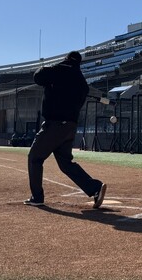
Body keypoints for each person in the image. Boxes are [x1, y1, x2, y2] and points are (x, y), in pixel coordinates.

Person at [24, 51, 107, 208]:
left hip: (54, 125)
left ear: (66, 58)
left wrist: (48, 68)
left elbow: (38, 77)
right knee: (66, 164)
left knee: (35, 158)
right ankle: (95, 188)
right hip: (70, 127)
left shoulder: (57, 71)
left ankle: (37, 197)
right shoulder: (82, 82)